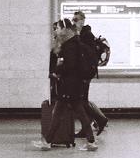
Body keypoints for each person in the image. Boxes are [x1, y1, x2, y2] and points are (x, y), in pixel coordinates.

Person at [33, 18, 97, 151]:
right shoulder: (75, 43)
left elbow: (70, 66)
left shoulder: (70, 46)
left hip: (69, 85)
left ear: (66, 29)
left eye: (59, 28)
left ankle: (48, 142)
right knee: (79, 112)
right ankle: (91, 142)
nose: (57, 31)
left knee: (59, 112)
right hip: (75, 85)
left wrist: (58, 70)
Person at [72, 11, 108, 136]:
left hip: (86, 73)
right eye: (73, 19)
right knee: (83, 100)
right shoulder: (82, 34)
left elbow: (87, 54)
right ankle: (87, 127)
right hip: (84, 72)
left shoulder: (86, 34)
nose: (73, 21)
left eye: (76, 19)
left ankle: (100, 119)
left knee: (81, 101)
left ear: (82, 21)